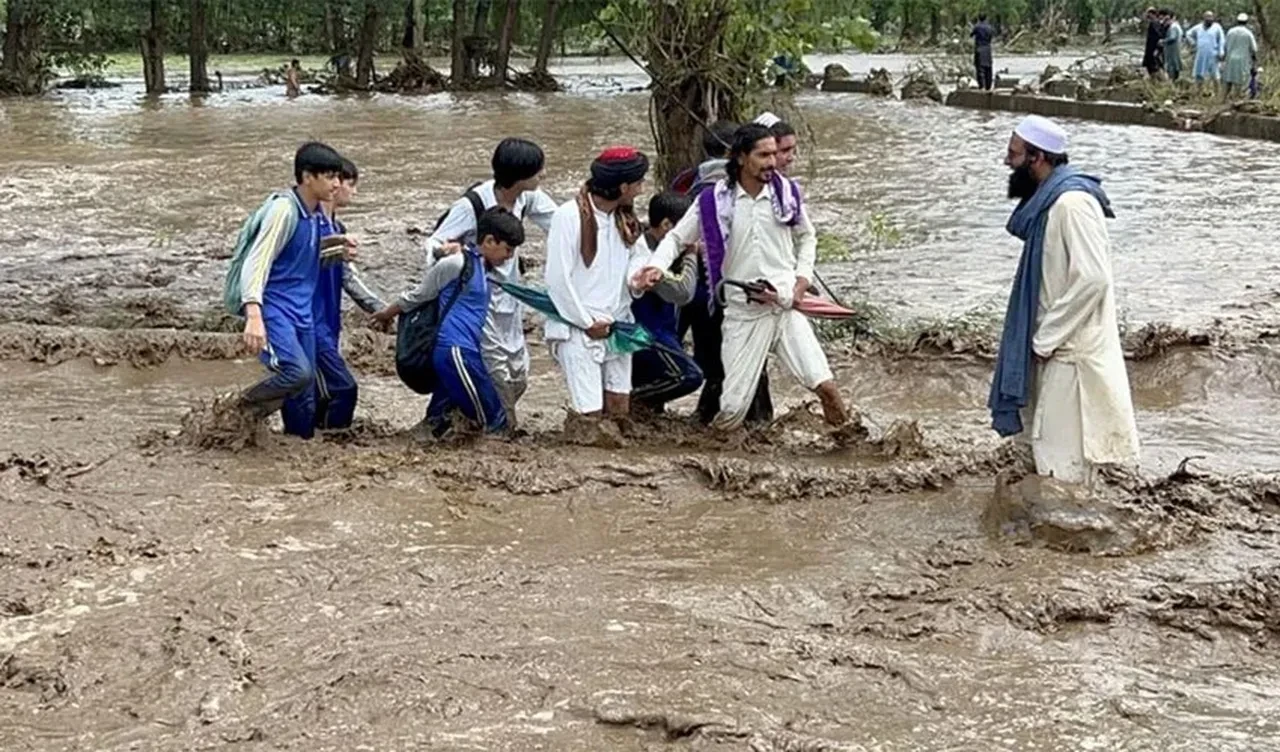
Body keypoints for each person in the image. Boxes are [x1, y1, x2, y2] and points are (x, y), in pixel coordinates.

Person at [636, 124, 857, 436]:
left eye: (774, 154)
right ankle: (709, 463)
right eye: (763, 155)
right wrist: (656, 266)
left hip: (784, 307)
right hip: (742, 312)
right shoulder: (713, 202)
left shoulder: (787, 194)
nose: (772, 162)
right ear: (741, 158)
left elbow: (808, 238)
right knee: (732, 410)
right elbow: (674, 239)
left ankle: (850, 451)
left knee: (827, 388)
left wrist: (802, 280)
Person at [989, 115, 1140, 487]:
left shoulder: (1072, 204)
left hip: (1072, 356)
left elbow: (1092, 279)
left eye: (1014, 154)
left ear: (1037, 156)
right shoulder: (1050, 203)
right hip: (1056, 350)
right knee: (1047, 453)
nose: (1007, 162)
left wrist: (1045, 339)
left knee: (1064, 465)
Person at [422, 138, 558, 429]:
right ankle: (499, 428)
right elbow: (433, 243)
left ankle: (446, 420)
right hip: (476, 301)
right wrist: (445, 251)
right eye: (537, 171)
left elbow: (560, 225)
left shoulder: (527, 198)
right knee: (493, 371)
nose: (542, 176)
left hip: (510, 298)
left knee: (517, 373)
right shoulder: (472, 205)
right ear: (519, 176)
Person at [374, 209, 525, 437]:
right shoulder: (457, 264)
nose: (510, 256)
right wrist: (385, 314)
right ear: (489, 241)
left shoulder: (485, 271)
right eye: (508, 249)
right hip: (454, 352)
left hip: (467, 352)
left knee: (441, 419)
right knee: (492, 417)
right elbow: (418, 295)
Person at [232, 141, 344, 439]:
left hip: (302, 313)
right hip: (274, 309)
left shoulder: (316, 214)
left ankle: (297, 445)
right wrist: (253, 314)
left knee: (305, 396)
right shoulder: (283, 210)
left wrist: (340, 250)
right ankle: (238, 411)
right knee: (297, 373)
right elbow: (257, 262)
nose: (337, 184)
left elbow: (305, 257)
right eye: (330, 176)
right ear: (308, 177)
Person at [544, 147, 653, 424]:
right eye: (639, 183)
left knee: (619, 409)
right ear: (623, 186)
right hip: (578, 329)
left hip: (617, 325)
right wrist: (585, 322)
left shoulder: (625, 218)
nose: (641, 190)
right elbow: (558, 280)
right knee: (589, 417)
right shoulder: (567, 217)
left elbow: (638, 258)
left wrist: (637, 279)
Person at [312, 158, 385, 431]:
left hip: (329, 323)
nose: (353, 192)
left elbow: (348, 279)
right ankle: (332, 443)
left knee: (320, 394)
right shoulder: (311, 223)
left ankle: (314, 444)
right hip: (308, 323)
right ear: (335, 183)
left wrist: (383, 309)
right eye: (352, 185)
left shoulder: (337, 229)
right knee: (343, 388)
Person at [631, 192, 703, 414]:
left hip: (658, 331)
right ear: (666, 225)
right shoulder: (646, 257)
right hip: (645, 335)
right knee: (689, 376)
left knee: (655, 399)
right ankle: (627, 404)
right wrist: (691, 253)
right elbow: (683, 292)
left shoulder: (653, 247)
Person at [1223, 14, 1258, 99]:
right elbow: (1254, 49)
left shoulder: (1230, 31)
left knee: (1228, 79)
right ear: (1246, 22)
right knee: (1240, 81)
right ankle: (1237, 98)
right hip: (1242, 60)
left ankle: (1223, 99)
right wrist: (1254, 60)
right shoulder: (1248, 33)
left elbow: (1225, 46)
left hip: (1230, 59)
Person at [1186, 11, 1225, 85]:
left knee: (1215, 75)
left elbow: (1221, 40)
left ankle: (1217, 94)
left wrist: (1221, 52)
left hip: (1213, 54)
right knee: (1199, 74)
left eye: (1211, 17)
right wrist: (1193, 43)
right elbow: (1188, 34)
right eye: (1207, 17)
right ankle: (1198, 92)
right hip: (1201, 54)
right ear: (1204, 18)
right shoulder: (1198, 27)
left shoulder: (1217, 27)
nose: (1209, 19)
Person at [971, 15, 995, 91]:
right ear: (986, 18)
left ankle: (982, 86)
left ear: (978, 18)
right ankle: (989, 86)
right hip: (988, 49)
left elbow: (971, 35)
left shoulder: (977, 27)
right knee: (988, 68)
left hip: (979, 48)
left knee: (980, 68)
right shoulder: (990, 27)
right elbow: (992, 36)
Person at [1161, 10, 1184, 82]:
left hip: (1172, 50)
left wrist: (1163, 41)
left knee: (1172, 65)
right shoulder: (1177, 26)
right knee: (1176, 64)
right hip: (1176, 49)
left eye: (1167, 20)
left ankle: (1172, 81)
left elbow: (1172, 37)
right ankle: (1174, 80)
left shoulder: (1173, 27)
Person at [1143, 8, 1164, 77]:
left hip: (1152, 46)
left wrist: (1157, 46)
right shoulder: (1156, 22)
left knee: (1151, 63)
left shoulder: (1154, 22)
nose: (1147, 15)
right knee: (1152, 62)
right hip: (1152, 46)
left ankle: (1154, 77)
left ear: (1152, 14)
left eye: (1148, 14)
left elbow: (1158, 34)